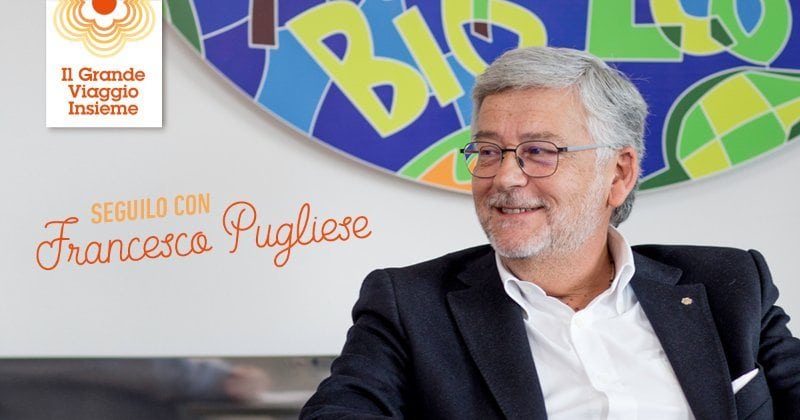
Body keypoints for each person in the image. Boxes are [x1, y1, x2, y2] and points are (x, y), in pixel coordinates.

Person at [300, 46, 800, 419]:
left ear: (619, 173)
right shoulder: (410, 305)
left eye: (539, 152)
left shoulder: (729, 284)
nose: (505, 177)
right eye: (488, 152)